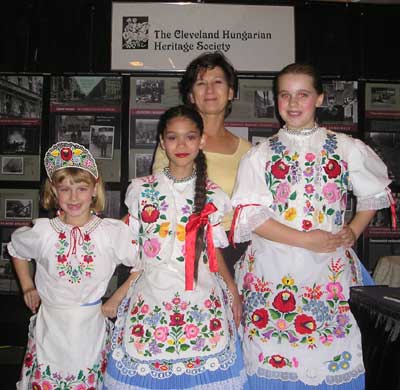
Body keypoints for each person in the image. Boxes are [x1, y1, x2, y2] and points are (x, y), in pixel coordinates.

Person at [230, 63, 393, 389]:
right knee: (269, 356)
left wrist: (353, 230)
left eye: (302, 94)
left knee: (328, 355)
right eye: (284, 95)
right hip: (272, 270)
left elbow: (375, 195)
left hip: (325, 270)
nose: (292, 103)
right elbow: (253, 218)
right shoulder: (259, 155)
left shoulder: (346, 148)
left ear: (320, 98)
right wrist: (307, 240)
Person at [104, 105, 247, 389]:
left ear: (201, 140)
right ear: (161, 141)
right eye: (172, 137)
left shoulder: (214, 194)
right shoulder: (141, 190)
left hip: (201, 295)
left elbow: (213, 250)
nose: (181, 145)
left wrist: (232, 288)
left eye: (190, 137)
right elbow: (125, 240)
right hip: (151, 294)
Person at [8, 141, 141, 389]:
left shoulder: (111, 232)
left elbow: (142, 264)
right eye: (65, 189)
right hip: (50, 324)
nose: (73, 197)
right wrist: (27, 286)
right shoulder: (44, 231)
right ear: (54, 192)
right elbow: (16, 249)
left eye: (81, 188)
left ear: (94, 189)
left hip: (89, 325)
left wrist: (116, 299)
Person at [152, 52, 252, 276]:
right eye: (201, 83)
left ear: (231, 92)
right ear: (190, 95)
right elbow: (163, 197)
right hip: (185, 244)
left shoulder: (249, 152)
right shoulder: (175, 144)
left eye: (217, 82)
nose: (209, 90)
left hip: (236, 248)